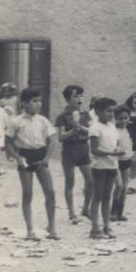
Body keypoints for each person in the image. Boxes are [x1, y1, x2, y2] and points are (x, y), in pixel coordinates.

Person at [5, 88, 58, 241]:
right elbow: (7, 143)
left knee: (50, 192)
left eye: (39, 101)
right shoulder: (16, 122)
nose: (38, 104)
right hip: (25, 156)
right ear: (24, 103)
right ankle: (30, 230)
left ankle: (52, 227)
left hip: (41, 156)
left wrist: (47, 158)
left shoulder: (43, 120)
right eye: (34, 101)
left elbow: (53, 139)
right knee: (28, 194)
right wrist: (17, 157)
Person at [55, 84, 94, 223]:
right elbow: (60, 137)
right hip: (69, 150)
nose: (79, 99)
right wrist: (72, 131)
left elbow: (91, 130)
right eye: (75, 96)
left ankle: (86, 208)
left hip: (83, 149)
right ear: (67, 99)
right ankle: (71, 212)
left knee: (90, 181)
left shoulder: (85, 114)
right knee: (69, 182)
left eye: (81, 96)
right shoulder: (62, 116)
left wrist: (79, 127)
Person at [87, 97, 122, 240]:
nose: (111, 114)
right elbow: (94, 150)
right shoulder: (95, 127)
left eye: (113, 111)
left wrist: (117, 150)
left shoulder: (112, 126)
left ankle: (107, 226)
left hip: (112, 165)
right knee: (97, 196)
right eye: (108, 111)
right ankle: (95, 228)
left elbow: (115, 143)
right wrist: (112, 153)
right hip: (100, 166)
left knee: (107, 197)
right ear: (98, 112)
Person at [110, 106, 134, 222]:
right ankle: (112, 211)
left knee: (124, 187)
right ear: (115, 118)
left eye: (126, 118)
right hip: (116, 161)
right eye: (120, 118)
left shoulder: (127, 130)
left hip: (127, 159)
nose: (123, 121)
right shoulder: (114, 131)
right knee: (118, 186)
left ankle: (120, 212)